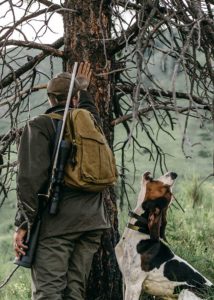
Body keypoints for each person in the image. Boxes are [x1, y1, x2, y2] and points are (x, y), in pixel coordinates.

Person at [13, 62, 110, 300]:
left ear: (50, 99)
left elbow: (29, 179)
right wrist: (83, 90)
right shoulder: (91, 123)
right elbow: (89, 109)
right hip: (93, 223)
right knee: (74, 291)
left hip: (58, 225)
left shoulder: (40, 125)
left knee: (49, 293)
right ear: (75, 98)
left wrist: (23, 223)